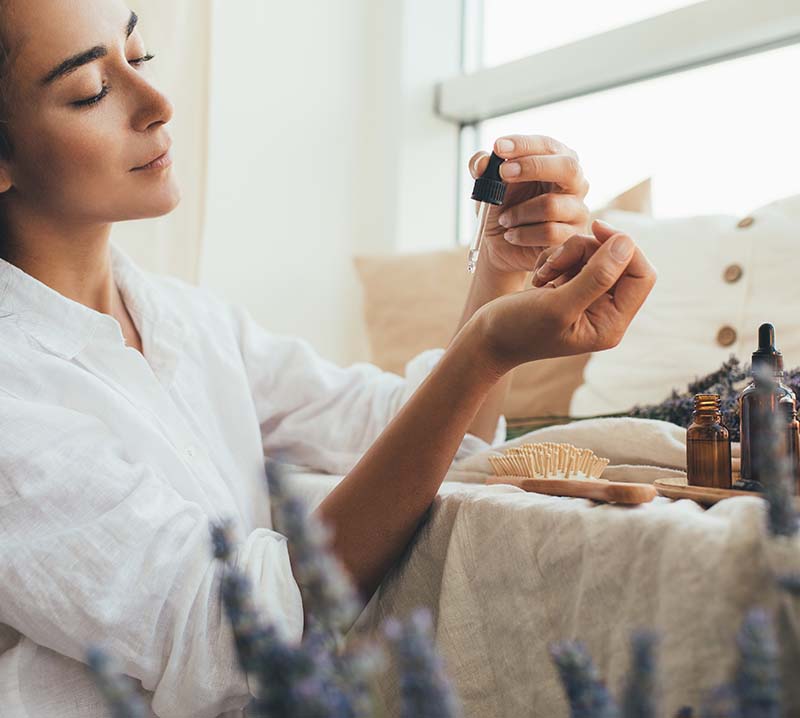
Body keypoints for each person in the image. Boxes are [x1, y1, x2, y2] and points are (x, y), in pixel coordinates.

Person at [0, 0, 657, 715]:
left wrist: (497, 271)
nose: (157, 102)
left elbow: (419, 433)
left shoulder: (185, 321)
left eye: (140, 57)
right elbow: (240, 634)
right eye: (91, 90)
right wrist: (483, 349)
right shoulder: (15, 399)